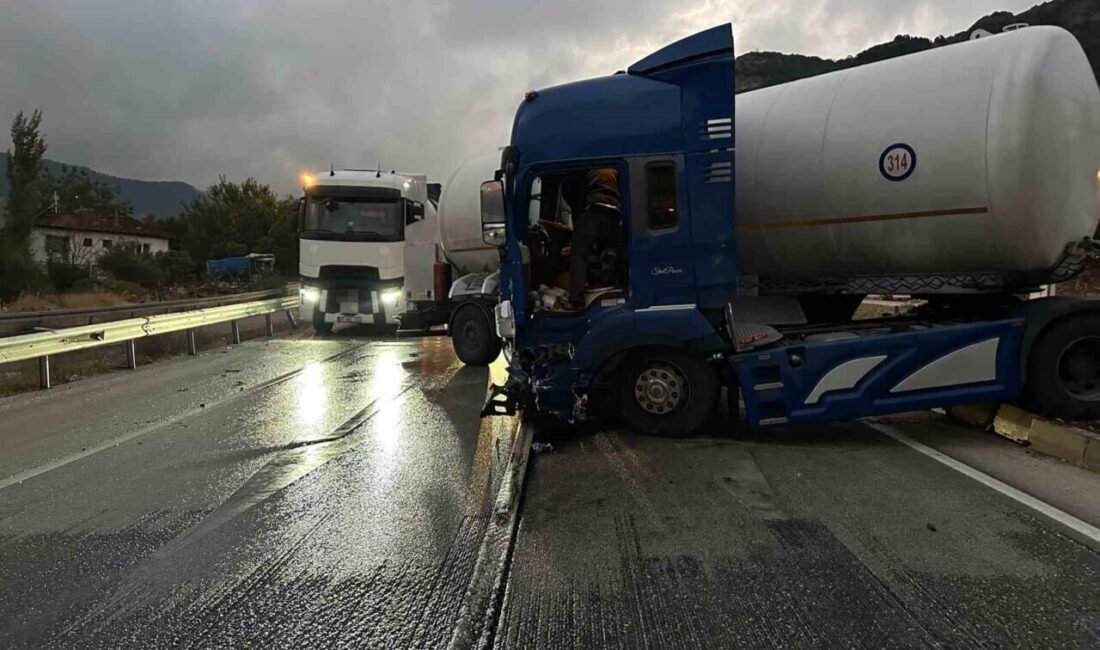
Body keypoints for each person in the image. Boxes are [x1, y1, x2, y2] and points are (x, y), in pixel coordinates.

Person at [569, 169, 622, 305]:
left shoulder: (588, 168)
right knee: (611, 247)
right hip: (615, 211)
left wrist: (578, 223)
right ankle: (611, 281)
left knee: (578, 253)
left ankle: (577, 297)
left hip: (595, 207)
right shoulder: (613, 170)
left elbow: (576, 197)